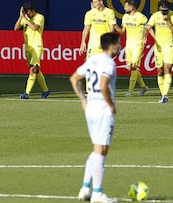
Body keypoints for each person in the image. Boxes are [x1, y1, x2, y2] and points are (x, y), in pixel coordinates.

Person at [70, 33, 120, 203]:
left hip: (91, 108)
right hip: (102, 109)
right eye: (119, 44)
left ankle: (85, 188)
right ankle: (97, 193)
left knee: (96, 149)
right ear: (112, 45)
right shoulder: (109, 63)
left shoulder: (93, 59)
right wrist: (110, 104)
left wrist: (83, 100)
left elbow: (74, 78)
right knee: (101, 150)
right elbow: (103, 84)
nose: (120, 47)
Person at [14, 2, 50, 99]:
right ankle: (46, 91)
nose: (28, 14)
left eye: (29, 13)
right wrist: (20, 17)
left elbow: (34, 28)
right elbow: (16, 28)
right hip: (28, 47)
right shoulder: (25, 18)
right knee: (36, 70)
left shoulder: (39, 17)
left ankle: (26, 93)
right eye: (27, 13)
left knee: (33, 69)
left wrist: (25, 18)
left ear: (33, 10)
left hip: (37, 46)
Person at [146, 0, 173, 103]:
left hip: (169, 45)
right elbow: (148, 27)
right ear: (159, 9)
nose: (164, 13)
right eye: (162, 11)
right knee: (159, 71)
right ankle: (162, 94)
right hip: (158, 47)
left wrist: (168, 21)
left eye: (166, 11)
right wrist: (149, 37)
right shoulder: (155, 16)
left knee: (167, 68)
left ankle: (165, 95)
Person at [115, 0, 149, 96]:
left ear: (132, 7)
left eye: (126, 6)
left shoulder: (141, 17)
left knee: (134, 66)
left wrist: (144, 37)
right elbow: (122, 31)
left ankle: (130, 91)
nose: (124, 8)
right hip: (129, 44)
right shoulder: (125, 17)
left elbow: (148, 28)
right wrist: (115, 26)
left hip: (138, 44)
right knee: (131, 67)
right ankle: (143, 86)